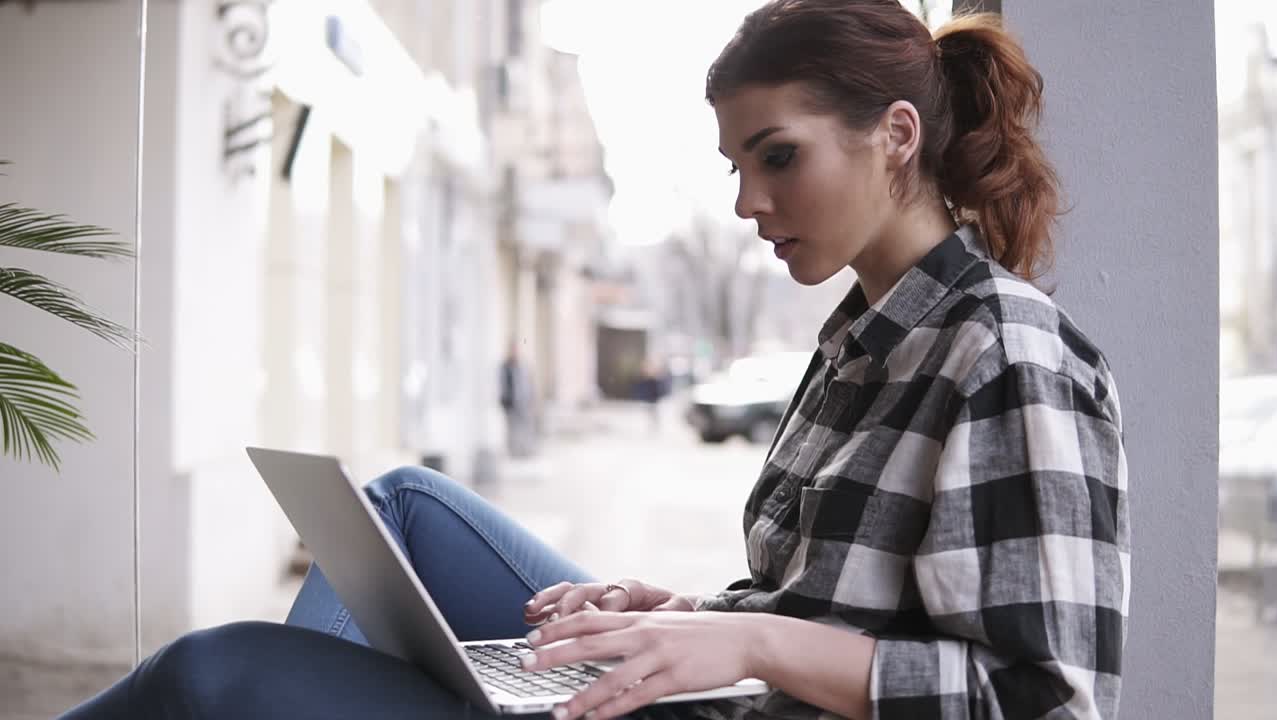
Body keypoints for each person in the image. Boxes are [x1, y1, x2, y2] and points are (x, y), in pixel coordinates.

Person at [61, 1, 1128, 718]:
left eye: (777, 157)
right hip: (728, 699)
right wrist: (690, 617)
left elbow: (1042, 700)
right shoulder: (862, 332)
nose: (748, 202)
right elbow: (823, 606)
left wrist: (749, 648)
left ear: (895, 136)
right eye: (734, 165)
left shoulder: (1007, 351)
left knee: (220, 674)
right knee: (398, 504)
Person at [500, 341, 536, 457]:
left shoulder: (523, 365)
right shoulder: (505, 366)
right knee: (512, 429)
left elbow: (528, 384)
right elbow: (503, 385)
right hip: (511, 403)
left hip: (523, 402)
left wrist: (531, 399)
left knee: (525, 427)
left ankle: (525, 450)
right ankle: (514, 452)